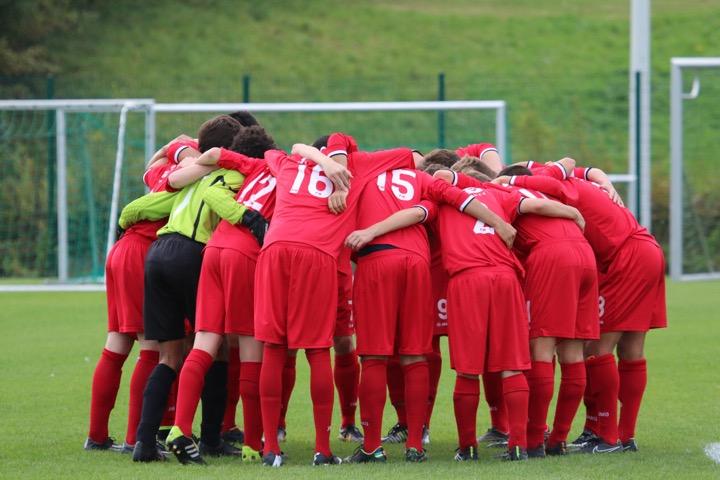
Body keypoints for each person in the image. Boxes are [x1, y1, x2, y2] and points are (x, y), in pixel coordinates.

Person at [342, 164, 518, 463]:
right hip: (418, 263)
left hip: (377, 259)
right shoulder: (425, 182)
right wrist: (499, 223)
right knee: (416, 355)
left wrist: (369, 230)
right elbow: (436, 205)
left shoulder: (362, 175)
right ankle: (415, 445)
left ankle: (372, 446)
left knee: (374, 356)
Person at [500, 159, 666, 453]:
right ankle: (619, 434)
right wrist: (602, 177)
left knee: (596, 350)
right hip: (641, 250)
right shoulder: (566, 180)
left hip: (624, 257)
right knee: (629, 350)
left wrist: (509, 183)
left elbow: (557, 172)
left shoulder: (549, 186)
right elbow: (574, 166)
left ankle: (607, 436)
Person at [129, 115, 249, 462]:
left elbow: (151, 186)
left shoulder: (184, 176)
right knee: (217, 347)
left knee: (168, 356)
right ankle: (211, 438)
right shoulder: (232, 175)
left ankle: (144, 443)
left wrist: (127, 217)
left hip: (158, 253)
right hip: (193, 254)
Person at [164, 126, 277, 465]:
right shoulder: (281, 172)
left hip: (214, 249)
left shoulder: (243, 169)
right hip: (245, 255)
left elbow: (209, 160)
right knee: (249, 346)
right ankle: (253, 444)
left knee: (204, 342)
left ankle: (180, 429)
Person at [84, 136, 192, 452]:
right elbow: (187, 162)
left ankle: (97, 436)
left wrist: (179, 145)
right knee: (151, 346)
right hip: (142, 253)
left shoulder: (158, 172)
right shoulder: (189, 175)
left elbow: (157, 157)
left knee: (117, 341)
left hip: (121, 250)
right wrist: (195, 150)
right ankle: (136, 438)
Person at [492, 164, 599, 457]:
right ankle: (559, 439)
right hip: (585, 255)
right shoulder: (543, 187)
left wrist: (575, 214)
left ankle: (534, 439)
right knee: (572, 352)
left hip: (552, 257)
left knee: (542, 345)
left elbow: (532, 205)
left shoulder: (503, 190)